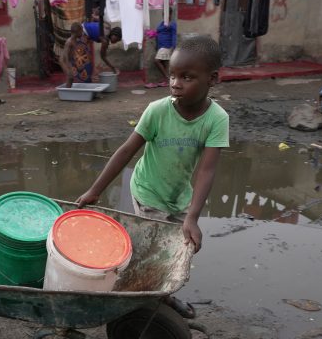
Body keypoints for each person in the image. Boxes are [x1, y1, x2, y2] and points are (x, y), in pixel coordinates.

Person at [76, 35, 229, 253]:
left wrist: (193, 217)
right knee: (154, 248)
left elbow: (207, 170)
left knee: (181, 244)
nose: (175, 84)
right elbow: (127, 150)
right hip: (147, 192)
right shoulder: (157, 111)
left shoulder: (217, 119)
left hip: (179, 197)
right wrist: (95, 190)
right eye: (172, 76)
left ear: (212, 79)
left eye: (186, 77)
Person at [147, 20, 177, 89]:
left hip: (166, 45)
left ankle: (167, 77)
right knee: (165, 63)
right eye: (163, 14)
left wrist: (173, 46)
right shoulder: (162, 23)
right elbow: (158, 32)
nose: (164, 15)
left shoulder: (172, 23)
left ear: (170, 14)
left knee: (157, 61)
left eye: (166, 14)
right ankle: (166, 81)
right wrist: (153, 33)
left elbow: (174, 35)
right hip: (160, 46)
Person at [62, 22, 93, 88]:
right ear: (78, 31)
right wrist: (68, 68)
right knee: (70, 77)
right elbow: (65, 57)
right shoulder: (69, 42)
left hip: (72, 61)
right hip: (66, 61)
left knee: (75, 76)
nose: (82, 33)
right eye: (81, 31)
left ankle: (83, 90)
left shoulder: (77, 40)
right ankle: (67, 92)